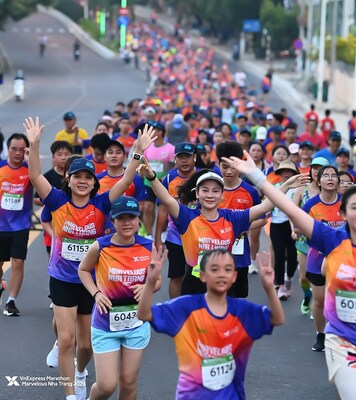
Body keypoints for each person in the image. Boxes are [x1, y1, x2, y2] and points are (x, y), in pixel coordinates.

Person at [24, 116, 156, 400]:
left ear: (93, 183)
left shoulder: (102, 203)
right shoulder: (57, 201)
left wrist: (138, 150)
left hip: (92, 282)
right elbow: (35, 176)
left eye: (87, 178)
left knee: (85, 345)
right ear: (68, 181)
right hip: (62, 278)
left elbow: (127, 177)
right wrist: (34, 145)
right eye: (77, 177)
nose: (82, 182)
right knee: (67, 339)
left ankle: (81, 372)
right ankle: (71, 393)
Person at [220, 152, 356, 400]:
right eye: (355, 207)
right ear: (344, 214)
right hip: (343, 339)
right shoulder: (332, 239)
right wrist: (257, 176)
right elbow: (288, 208)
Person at [138, 156, 306, 296]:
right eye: (205, 190)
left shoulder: (233, 218)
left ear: (221, 194)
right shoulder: (187, 216)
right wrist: (151, 176)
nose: (210, 195)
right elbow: (166, 199)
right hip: (194, 285)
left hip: (224, 283)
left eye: (215, 191)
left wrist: (285, 186)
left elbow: (265, 206)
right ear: (197, 194)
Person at [138, 248, 284, 399]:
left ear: (234, 276)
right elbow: (144, 314)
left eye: (227, 269)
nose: (221, 274)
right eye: (214, 269)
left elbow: (277, 319)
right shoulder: (185, 308)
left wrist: (269, 288)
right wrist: (150, 283)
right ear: (202, 275)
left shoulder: (242, 311)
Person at [78, 196, 160, 400]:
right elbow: (83, 270)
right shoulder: (100, 246)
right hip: (105, 325)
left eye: (131, 217)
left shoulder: (148, 247)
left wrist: (148, 287)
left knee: (129, 384)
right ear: (112, 221)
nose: (126, 223)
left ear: (138, 219)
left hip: (136, 324)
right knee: (106, 386)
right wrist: (96, 293)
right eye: (120, 218)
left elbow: (156, 282)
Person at [303, 165, 344, 352]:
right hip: (316, 258)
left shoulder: (346, 203)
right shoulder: (311, 205)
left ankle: (340, 334)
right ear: (318, 181)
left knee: (340, 299)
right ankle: (321, 334)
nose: (330, 178)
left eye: (333, 175)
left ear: (337, 181)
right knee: (319, 300)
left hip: (343, 260)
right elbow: (298, 226)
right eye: (325, 175)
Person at [154, 142, 197, 298]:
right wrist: (158, 236)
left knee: (199, 277)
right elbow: (163, 209)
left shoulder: (203, 177)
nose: (184, 161)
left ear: (195, 158)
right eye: (180, 157)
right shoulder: (169, 178)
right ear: (175, 159)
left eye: (188, 157)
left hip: (199, 236)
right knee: (176, 276)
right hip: (175, 237)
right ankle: (175, 311)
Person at [292, 157, 329, 315]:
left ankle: (319, 306)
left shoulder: (331, 192)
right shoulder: (302, 190)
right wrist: (293, 230)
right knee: (304, 278)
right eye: (314, 168)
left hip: (325, 242)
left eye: (320, 168)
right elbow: (291, 211)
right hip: (303, 239)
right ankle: (307, 296)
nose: (316, 171)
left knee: (325, 278)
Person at [0, 133, 32, 316]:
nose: (18, 153)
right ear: (8, 149)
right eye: (14, 149)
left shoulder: (30, 169)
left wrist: (30, 159)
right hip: (1, 226)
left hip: (20, 226)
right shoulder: (1, 167)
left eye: (22, 149)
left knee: (18, 262)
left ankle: (11, 301)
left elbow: (38, 179)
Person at [270, 160, 299, 300]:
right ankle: (280, 285)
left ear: (294, 174)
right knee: (279, 255)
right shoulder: (274, 188)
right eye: (284, 171)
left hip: (294, 225)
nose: (287, 174)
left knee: (293, 257)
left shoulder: (299, 189)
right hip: (277, 224)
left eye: (290, 171)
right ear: (280, 174)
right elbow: (266, 204)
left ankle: (289, 277)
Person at [142, 121, 175, 240]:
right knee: (148, 207)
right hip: (149, 182)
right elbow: (143, 162)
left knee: (164, 208)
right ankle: (149, 234)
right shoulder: (147, 147)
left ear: (161, 132)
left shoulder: (170, 148)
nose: (153, 132)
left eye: (155, 130)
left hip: (163, 183)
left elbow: (173, 166)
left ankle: (163, 232)